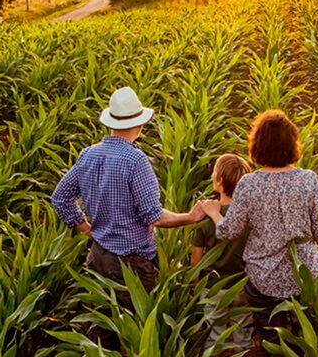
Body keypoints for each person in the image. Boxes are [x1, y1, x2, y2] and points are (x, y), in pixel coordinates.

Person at [199, 110, 318, 357]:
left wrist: (214, 214)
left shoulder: (248, 184)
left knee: (273, 343)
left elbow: (230, 231)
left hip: (263, 280)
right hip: (305, 277)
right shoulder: (309, 180)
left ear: (257, 146)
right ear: (292, 143)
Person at [51, 86, 205, 311]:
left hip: (98, 256)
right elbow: (154, 216)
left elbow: (60, 198)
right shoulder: (135, 161)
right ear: (139, 124)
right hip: (131, 264)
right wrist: (190, 217)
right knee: (138, 329)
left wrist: (86, 228)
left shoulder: (88, 154)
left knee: (101, 329)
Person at [190, 154, 255, 350]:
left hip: (213, 287)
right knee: (243, 331)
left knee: (214, 335)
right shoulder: (249, 215)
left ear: (218, 182)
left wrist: (196, 286)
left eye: (213, 173)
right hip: (243, 285)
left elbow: (196, 259)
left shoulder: (205, 217)